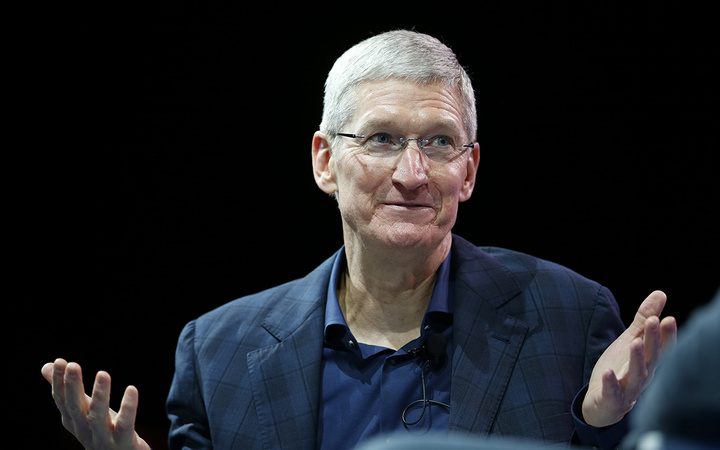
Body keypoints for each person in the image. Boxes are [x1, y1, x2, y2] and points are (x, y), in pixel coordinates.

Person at [41, 30, 677, 450]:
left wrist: (600, 424)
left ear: (469, 170)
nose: (412, 173)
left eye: (438, 142)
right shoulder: (218, 352)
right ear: (324, 161)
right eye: (381, 139)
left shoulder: (569, 317)